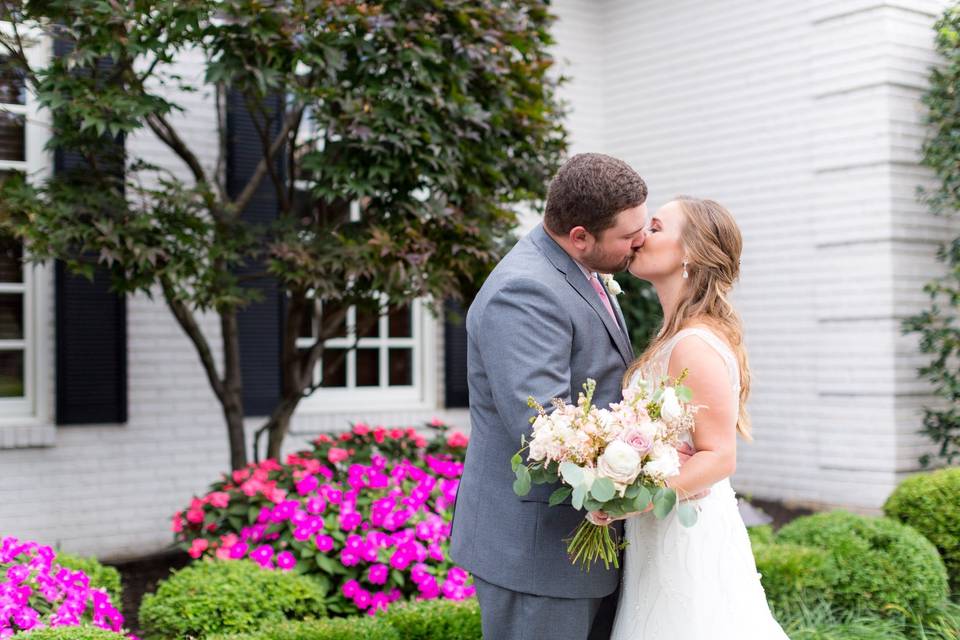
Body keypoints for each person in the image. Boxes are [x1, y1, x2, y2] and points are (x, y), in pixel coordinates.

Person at [449, 153, 647, 640]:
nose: (640, 241)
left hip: (580, 544)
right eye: (628, 235)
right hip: (537, 552)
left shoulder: (578, 268)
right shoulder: (525, 290)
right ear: (580, 236)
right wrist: (646, 457)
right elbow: (545, 429)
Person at [604, 196, 789, 639]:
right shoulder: (674, 336)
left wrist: (632, 501)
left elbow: (720, 457)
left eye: (656, 227)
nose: (640, 236)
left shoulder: (694, 344)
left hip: (686, 535)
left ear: (689, 252)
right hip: (660, 530)